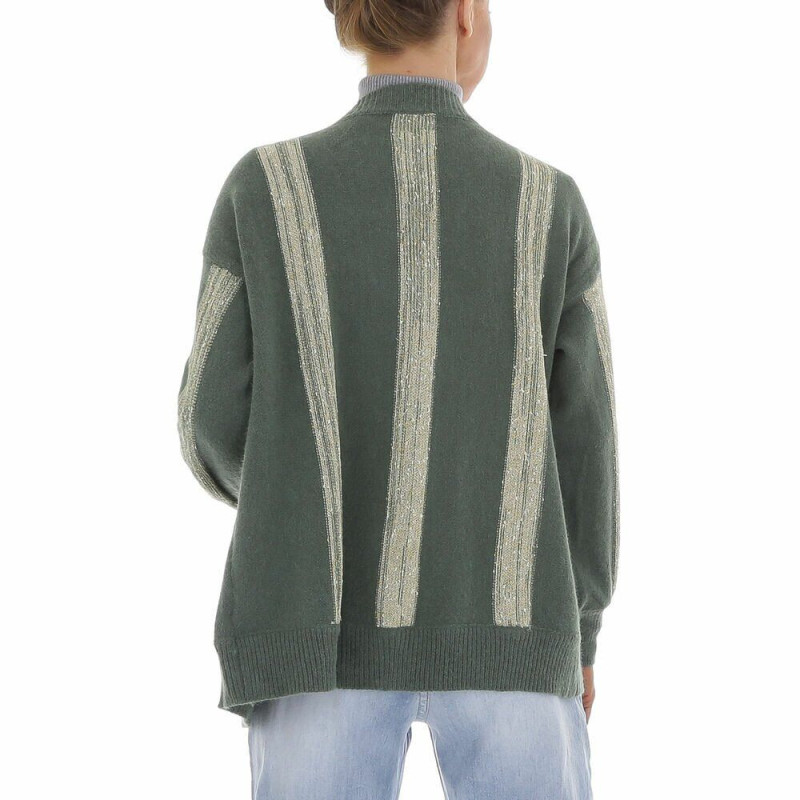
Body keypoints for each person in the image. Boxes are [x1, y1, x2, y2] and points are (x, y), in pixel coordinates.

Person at [176, 1, 620, 797]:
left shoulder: (265, 189)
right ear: (466, 13)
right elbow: (587, 451)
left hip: (310, 637)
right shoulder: (549, 203)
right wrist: (580, 631)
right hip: (516, 635)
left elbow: (206, 420)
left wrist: (298, 500)